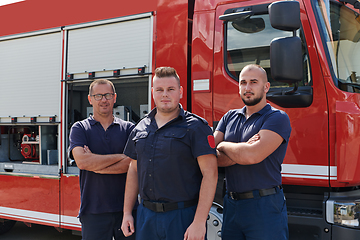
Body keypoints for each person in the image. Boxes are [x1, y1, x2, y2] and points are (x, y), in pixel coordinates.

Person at [121, 67, 218, 240]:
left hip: (182, 216)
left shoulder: (196, 127)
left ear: (180, 92)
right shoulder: (140, 127)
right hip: (146, 216)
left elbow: (210, 174)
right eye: (159, 90)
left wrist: (199, 221)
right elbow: (133, 170)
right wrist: (127, 212)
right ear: (153, 92)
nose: (164, 94)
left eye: (170, 89)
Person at [214, 64, 291, 240]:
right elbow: (211, 156)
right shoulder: (229, 117)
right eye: (243, 82)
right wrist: (242, 150)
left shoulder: (277, 118)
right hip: (231, 205)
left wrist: (224, 146)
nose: (247, 88)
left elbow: (252, 155)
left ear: (266, 87)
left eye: (253, 82)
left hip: (264, 206)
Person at [69, 79, 136, 240]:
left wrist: (94, 162)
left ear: (115, 97)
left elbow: (132, 164)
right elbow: (83, 162)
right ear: (90, 99)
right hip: (93, 211)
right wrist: (122, 156)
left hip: (126, 210)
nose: (104, 100)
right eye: (98, 96)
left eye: (107, 95)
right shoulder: (80, 128)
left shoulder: (129, 129)